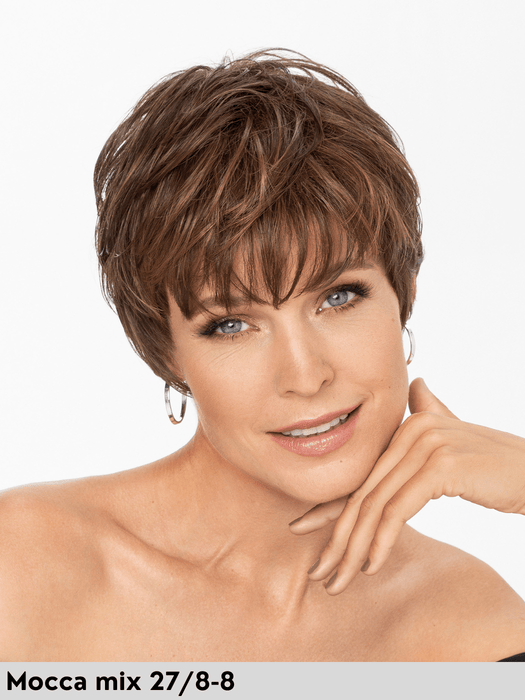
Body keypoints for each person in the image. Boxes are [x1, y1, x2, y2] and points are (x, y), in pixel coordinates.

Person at [1, 49, 525, 662]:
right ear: (166, 353)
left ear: (401, 295)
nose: (305, 376)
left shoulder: (476, 628)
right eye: (231, 325)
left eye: (338, 297)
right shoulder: (26, 564)